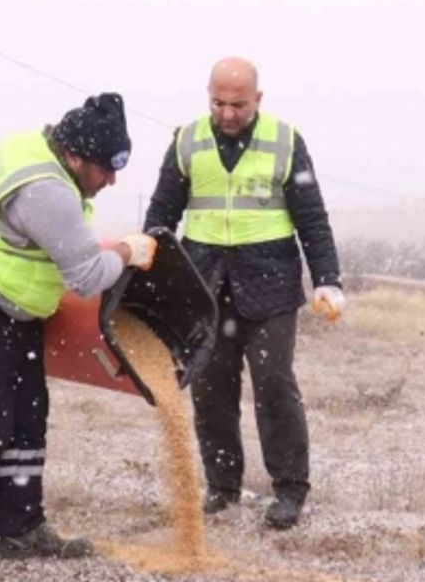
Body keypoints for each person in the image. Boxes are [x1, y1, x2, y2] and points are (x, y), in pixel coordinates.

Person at [0, 93, 157, 558]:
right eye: (106, 168)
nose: (112, 179)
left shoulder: (39, 152)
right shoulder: (47, 190)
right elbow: (85, 277)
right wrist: (127, 252)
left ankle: (22, 530)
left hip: (8, 310)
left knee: (26, 423)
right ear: (75, 156)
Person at [145, 57, 344, 530]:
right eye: (218, 103)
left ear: (258, 99)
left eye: (238, 104)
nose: (228, 113)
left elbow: (312, 219)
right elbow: (161, 215)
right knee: (211, 390)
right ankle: (222, 486)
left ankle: (290, 490)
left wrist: (328, 280)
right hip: (206, 284)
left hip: (270, 286)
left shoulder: (285, 141)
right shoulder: (187, 140)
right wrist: (150, 278)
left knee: (274, 385)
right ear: (207, 95)